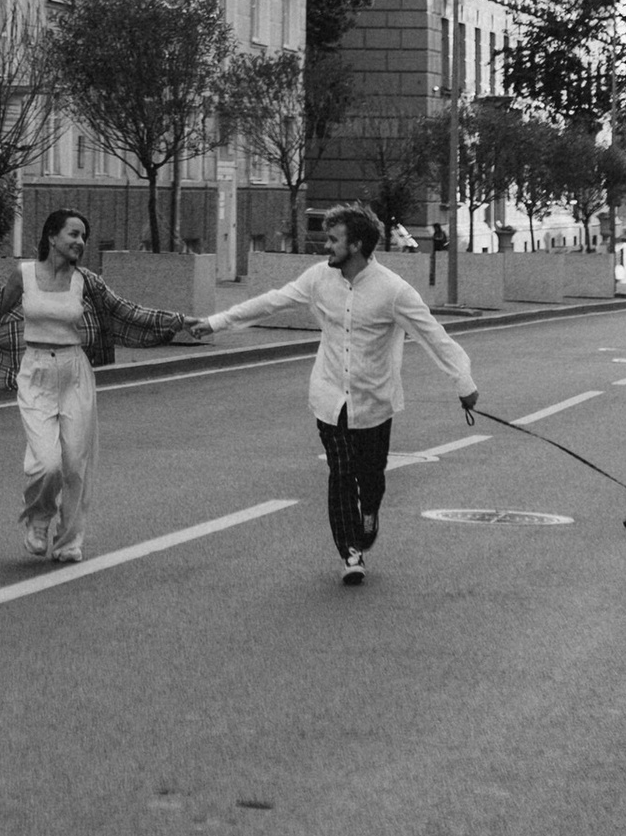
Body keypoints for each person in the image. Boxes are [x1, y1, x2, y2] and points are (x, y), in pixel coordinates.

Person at [201, 199, 476, 583]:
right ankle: (351, 552)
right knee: (342, 473)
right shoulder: (318, 279)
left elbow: (434, 336)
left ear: (358, 245)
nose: (326, 246)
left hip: (374, 402)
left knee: (372, 477)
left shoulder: (393, 291)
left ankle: (370, 511)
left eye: (334, 240)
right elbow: (271, 303)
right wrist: (214, 323)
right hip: (330, 398)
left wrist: (463, 383)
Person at [0, 207, 209, 562]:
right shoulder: (24, 275)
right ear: (52, 237)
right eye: (73, 234)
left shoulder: (87, 282)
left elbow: (128, 311)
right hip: (35, 373)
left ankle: (69, 541)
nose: (80, 242)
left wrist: (182, 321)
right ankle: (37, 518)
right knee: (46, 464)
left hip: (75, 372)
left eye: (83, 237)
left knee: (76, 464)